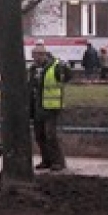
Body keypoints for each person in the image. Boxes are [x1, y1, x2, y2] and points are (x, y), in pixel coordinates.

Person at [28, 41, 71, 171]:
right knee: (39, 135)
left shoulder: (55, 66)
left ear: (43, 55)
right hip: (37, 106)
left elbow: (67, 77)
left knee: (50, 135)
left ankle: (58, 161)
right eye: (33, 56)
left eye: (37, 56)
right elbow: (31, 86)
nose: (35, 59)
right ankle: (46, 160)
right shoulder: (33, 69)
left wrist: (64, 68)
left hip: (51, 107)